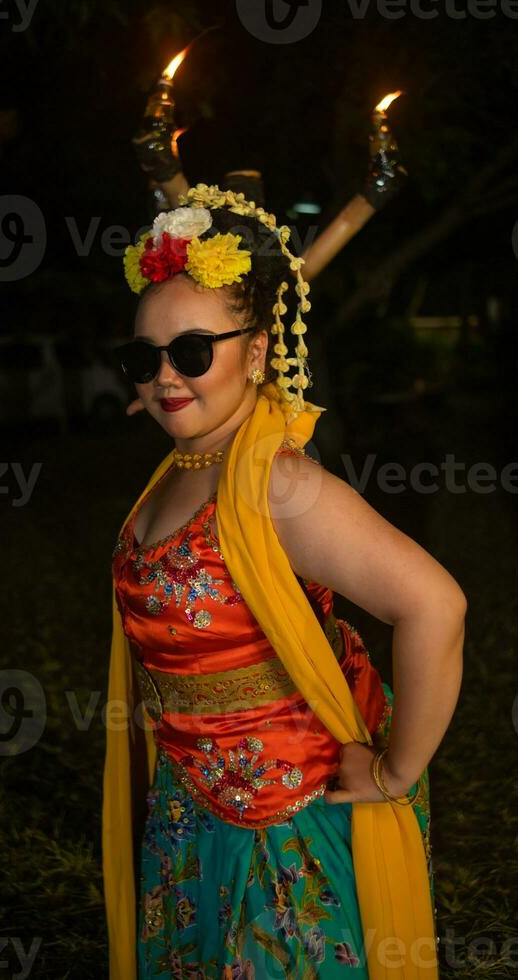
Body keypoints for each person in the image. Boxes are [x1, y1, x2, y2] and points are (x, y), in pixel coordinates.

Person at [103, 183, 466, 979]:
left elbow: (435, 604)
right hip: (188, 811)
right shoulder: (188, 462)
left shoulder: (277, 483)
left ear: (258, 351)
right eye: (144, 358)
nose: (166, 376)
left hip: (282, 828)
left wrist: (396, 769)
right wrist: (179, 386)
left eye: (193, 352)